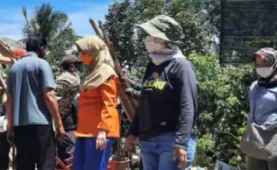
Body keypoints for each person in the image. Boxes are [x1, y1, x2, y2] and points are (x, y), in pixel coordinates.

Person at [125, 15, 198, 170]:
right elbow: (144, 101)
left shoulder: (182, 66)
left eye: (151, 35)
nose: (147, 39)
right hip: (148, 139)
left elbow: (188, 106)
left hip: (171, 139)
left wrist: (181, 142)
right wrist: (132, 133)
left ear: (162, 40)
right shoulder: (152, 65)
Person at [6, 35, 65, 170]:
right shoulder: (42, 64)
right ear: (41, 48)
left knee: (24, 166)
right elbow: (49, 96)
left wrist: (10, 128)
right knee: (46, 164)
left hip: (20, 126)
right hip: (41, 125)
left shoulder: (13, 69)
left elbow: (9, 102)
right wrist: (60, 126)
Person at [73, 36, 120, 170]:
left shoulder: (106, 73)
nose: (82, 56)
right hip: (85, 132)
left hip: (98, 132)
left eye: (84, 52)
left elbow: (109, 104)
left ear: (94, 52)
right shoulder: (90, 73)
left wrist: (103, 130)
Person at [55, 55, 82, 163]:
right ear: (72, 66)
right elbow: (86, 89)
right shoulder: (70, 79)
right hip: (65, 119)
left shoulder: (60, 78)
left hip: (61, 118)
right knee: (70, 149)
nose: (79, 68)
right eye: (78, 65)